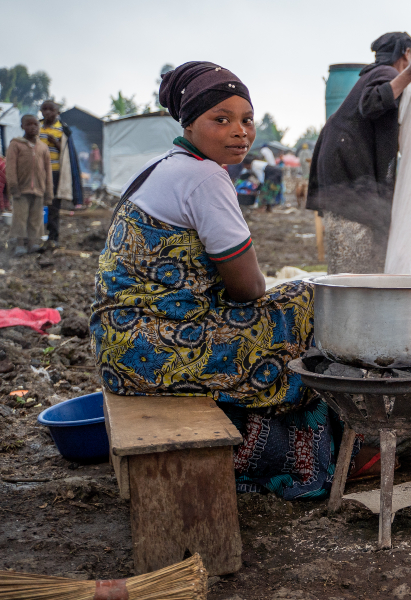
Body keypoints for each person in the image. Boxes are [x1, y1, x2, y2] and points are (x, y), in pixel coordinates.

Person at [90, 61, 377, 499]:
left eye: (246, 119)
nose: (239, 131)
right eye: (220, 120)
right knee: (307, 302)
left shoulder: (161, 165)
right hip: (158, 347)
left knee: (295, 307)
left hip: (119, 347)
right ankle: (330, 450)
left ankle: (322, 443)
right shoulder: (205, 176)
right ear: (189, 123)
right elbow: (249, 289)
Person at [306, 32, 411, 274]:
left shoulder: (373, 75)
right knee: (359, 244)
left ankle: (350, 295)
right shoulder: (387, 73)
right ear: (406, 53)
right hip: (348, 169)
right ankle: (356, 299)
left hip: (340, 166)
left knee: (356, 241)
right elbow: (372, 102)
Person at [5, 115, 53, 256]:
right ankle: (20, 244)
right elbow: (10, 167)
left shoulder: (43, 147)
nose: (33, 127)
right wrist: (13, 187)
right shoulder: (16, 144)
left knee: (36, 218)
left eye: (35, 124)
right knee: (20, 218)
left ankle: (33, 243)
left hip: (39, 189)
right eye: (29, 124)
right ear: (22, 127)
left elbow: (48, 171)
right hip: (21, 189)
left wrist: (48, 192)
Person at [38, 100, 83, 245]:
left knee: (53, 205)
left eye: (51, 110)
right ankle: (36, 236)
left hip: (55, 173)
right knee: (37, 203)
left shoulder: (62, 130)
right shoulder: (36, 127)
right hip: (38, 172)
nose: (47, 113)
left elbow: (66, 153)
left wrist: (56, 143)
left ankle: (53, 237)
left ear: (57, 113)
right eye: (44, 109)